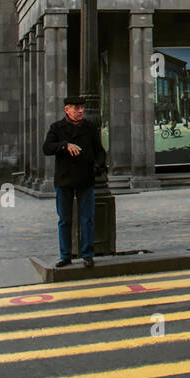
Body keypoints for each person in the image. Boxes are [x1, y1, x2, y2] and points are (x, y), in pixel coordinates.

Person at [43, 96, 107, 270]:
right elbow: (47, 148)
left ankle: (87, 255)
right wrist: (64, 145)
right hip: (64, 180)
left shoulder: (90, 128)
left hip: (86, 179)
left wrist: (97, 166)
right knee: (65, 219)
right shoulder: (57, 128)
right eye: (76, 108)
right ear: (67, 110)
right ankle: (65, 255)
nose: (80, 111)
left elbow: (100, 151)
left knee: (87, 218)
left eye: (82, 108)